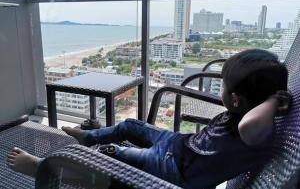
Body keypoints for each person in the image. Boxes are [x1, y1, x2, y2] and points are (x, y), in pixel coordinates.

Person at [7, 49, 291, 189]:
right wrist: (272, 98)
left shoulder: (254, 130)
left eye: (224, 87)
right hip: (179, 146)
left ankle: (43, 168)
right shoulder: (246, 115)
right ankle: (88, 135)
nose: (222, 92)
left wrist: (271, 101)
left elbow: (249, 125)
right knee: (131, 126)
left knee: (110, 155)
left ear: (238, 99)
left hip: (172, 170)